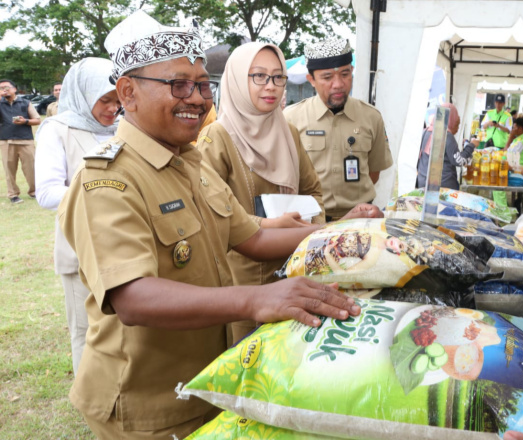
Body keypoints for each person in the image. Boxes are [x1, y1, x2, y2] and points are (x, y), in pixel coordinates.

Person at [58, 11, 362, 439]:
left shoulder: (190, 164)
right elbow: (133, 297)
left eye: (202, 85)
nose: (197, 98)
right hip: (148, 402)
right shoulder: (107, 180)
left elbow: (254, 237)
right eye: (178, 85)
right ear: (127, 92)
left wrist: (342, 230)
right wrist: (256, 300)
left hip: (207, 383)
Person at [197, 42, 328, 343]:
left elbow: (312, 191)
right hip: (243, 281)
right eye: (258, 76)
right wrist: (268, 226)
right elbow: (210, 213)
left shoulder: (288, 132)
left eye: (277, 77)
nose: (271, 87)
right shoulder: (217, 138)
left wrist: (306, 221)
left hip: (292, 268)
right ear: (237, 80)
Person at [35, 58, 120, 376]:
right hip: (80, 250)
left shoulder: (121, 129)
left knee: (119, 329)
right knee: (86, 333)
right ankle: (92, 402)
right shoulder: (57, 130)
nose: (114, 108)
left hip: (121, 244)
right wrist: (104, 191)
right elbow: (46, 193)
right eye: (105, 99)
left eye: (118, 99)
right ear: (83, 94)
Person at [284, 36, 393, 221]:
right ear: (311, 79)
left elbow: (374, 172)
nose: (338, 84)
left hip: (360, 221)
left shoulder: (371, 117)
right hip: (310, 222)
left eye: (345, 74)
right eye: (327, 77)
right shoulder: (291, 118)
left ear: (352, 71)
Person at [415, 102, 475, 190]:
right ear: (451, 120)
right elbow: (460, 161)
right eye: (457, 123)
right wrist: (471, 146)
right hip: (443, 187)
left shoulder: (425, 132)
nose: (457, 128)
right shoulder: (446, 136)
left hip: (423, 184)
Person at [0, 78, 40, 204]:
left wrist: (25, 121)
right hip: (6, 141)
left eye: (6, 87)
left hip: (25, 141)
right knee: (9, 170)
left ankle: (34, 191)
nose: (4, 90)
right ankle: (13, 194)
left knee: (31, 168)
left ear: (14, 89)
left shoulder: (25, 102)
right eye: (1, 88)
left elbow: (37, 120)